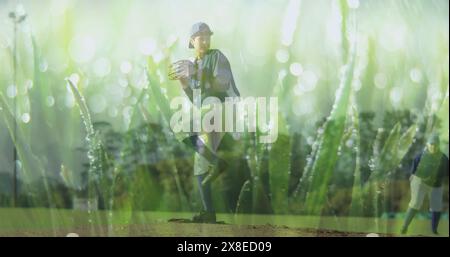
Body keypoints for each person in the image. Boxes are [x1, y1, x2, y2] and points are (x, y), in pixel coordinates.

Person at [168, 22, 240, 223]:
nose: (206, 39)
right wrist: (184, 84)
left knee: (181, 125)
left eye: (208, 35)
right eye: (201, 36)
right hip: (208, 110)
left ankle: (218, 162)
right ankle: (209, 213)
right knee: (200, 164)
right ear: (192, 41)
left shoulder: (217, 57)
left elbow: (221, 84)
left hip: (225, 107)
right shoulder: (194, 64)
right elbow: (197, 100)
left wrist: (196, 73)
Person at [401, 133, 449, 235]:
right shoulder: (420, 157)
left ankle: (434, 230)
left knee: (436, 206)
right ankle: (404, 226)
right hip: (420, 182)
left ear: (439, 145)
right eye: (431, 144)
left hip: (436, 184)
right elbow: (413, 174)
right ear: (427, 145)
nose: (433, 146)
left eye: (435, 144)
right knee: (415, 203)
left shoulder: (444, 159)